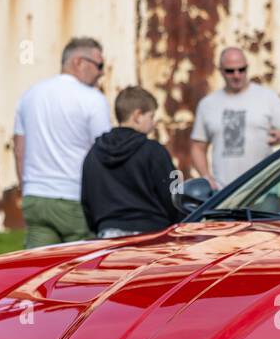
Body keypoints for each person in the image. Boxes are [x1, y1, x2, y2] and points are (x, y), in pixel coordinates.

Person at [13, 37, 112, 247]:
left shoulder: (30, 95)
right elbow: (104, 153)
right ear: (78, 62)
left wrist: (26, 186)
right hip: (73, 196)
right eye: (99, 65)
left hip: (35, 198)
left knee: (38, 269)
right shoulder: (93, 99)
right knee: (82, 270)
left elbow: (19, 148)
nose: (102, 72)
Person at [189, 47, 280, 188]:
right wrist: (206, 177)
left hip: (263, 190)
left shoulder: (267, 97)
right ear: (220, 70)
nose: (237, 75)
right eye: (230, 71)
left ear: (247, 68)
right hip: (223, 194)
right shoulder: (208, 104)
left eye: (242, 69)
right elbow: (197, 146)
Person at [81, 86, 181, 238]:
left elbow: (87, 199)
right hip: (152, 235)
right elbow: (174, 196)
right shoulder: (154, 151)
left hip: (107, 236)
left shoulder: (94, 153)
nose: (153, 123)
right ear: (138, 115)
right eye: (151, 116)